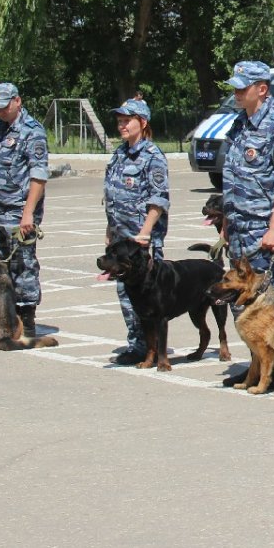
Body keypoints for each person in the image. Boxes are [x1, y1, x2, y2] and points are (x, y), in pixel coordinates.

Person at [221, 61, 274, 310]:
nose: (237, 94)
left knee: (269, 304)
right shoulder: (240, 124)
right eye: (235, 89)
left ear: (262, 89)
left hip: (261, 228)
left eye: (242, 89)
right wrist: (225, 221)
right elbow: (232, 178)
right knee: (240, 302)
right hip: (237, 227)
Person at [103, 98, 170, 364]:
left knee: (147, 295)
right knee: (125, 292)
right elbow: (113, 196)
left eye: (126, 121)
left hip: (141, 240)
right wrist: (110, 230)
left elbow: (158, 199)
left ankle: (149, 346)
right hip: (121, 238)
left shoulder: (152, 156)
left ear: (142, 123)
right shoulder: (119, 154)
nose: (121, 125)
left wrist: (145, 232)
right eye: (119, 121)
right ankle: (137, 342)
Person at [0, 82, 50, 341]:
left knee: (23, 265)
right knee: (1, 265)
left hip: (19, 211)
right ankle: (6, 318)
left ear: (17, 101)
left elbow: (39, 175)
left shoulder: (32, 131)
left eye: (3, 106)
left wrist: (28, 214)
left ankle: (27, 319)